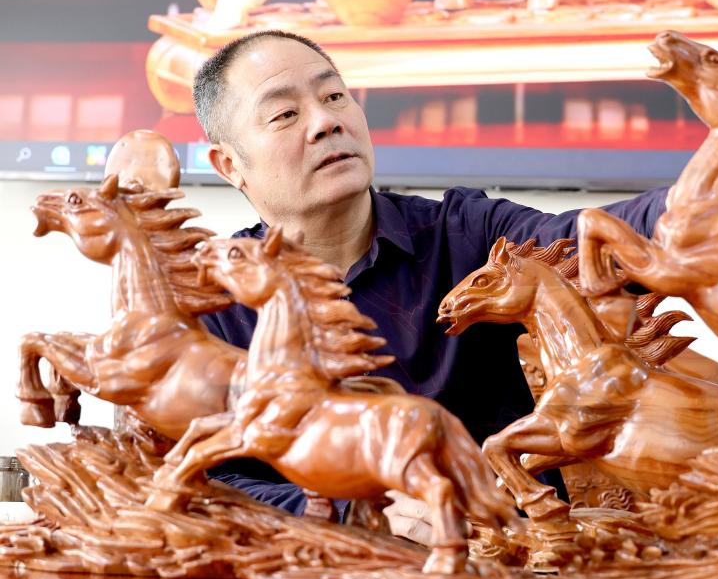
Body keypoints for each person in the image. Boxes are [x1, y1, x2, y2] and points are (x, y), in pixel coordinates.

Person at [193, 30, 669, 542]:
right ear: (230, 165)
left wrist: (707, 194)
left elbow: (592, 235)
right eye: (285, 114)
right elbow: (200, 483)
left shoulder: (467, 234)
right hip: (319, 563)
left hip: (500, 553)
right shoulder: (212, 304)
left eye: (333, 96)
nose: (326, 122)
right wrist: (352, 513)